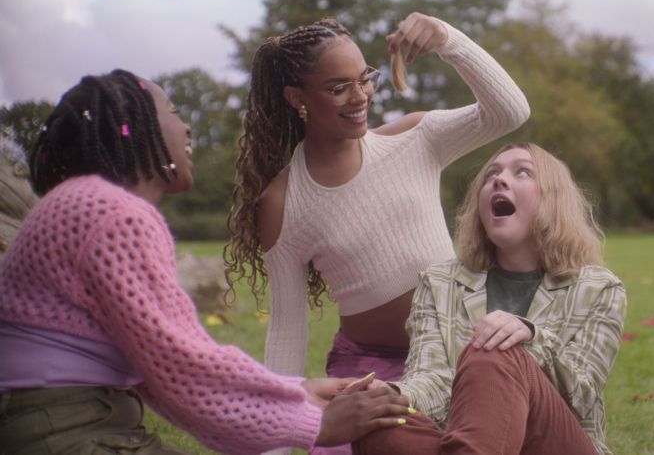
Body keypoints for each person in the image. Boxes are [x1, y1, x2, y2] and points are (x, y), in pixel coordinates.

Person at [0, 70, 411, 455]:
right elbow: (182, 370)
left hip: (59, 422)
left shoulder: (88, 204)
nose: (187, 127)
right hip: (66, 429)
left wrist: (297, 390)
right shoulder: (112, 212)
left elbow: (173, 362)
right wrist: (314, 424)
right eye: (174, 112)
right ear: (133, 126)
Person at [224, 13, 530, 426]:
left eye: (364, 78)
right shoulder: (283, 202)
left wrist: (447, 40)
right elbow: (287, 332)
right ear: (297, 97)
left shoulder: (417, 140)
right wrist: (275, 444)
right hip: (370, 372)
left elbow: (509, 113)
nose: (360, 96)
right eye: (338, 88)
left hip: (460, 355)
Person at [350, 142, 626, 455]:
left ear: (554, 199)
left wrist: (532, 338)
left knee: (495, 352)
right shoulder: (439, 283)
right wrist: (391, 394)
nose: (499, 179)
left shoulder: (599, 288)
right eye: (491, 174)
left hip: (556, 443)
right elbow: (433, 379)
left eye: (522, 172)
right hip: (474, 441)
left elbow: (583, 394)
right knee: (383, 423)